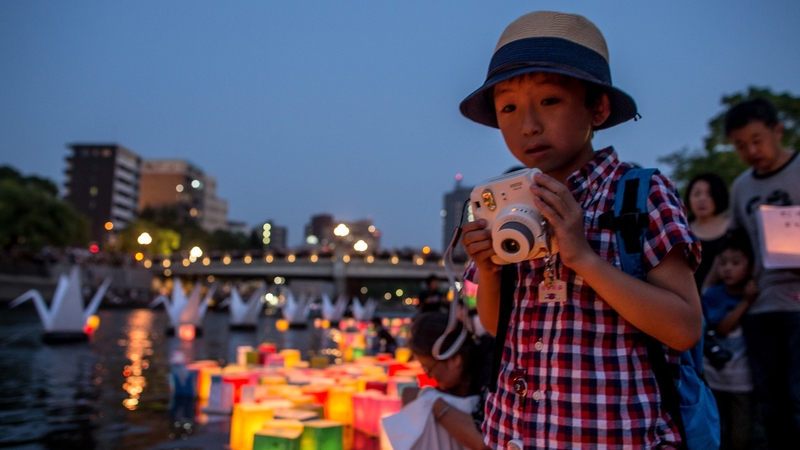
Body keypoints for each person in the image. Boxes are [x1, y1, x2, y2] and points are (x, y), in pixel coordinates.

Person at [458, 11, 702, 448]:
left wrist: (583, 258)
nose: (527, 124)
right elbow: (499, 328)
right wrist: (490, 271)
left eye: (549, 101)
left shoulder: (637, 195)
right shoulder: (509, 200)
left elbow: (684, 328)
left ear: (598, 108)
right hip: (514, 432)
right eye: (508, 107)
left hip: (614, 436)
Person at [724, 97, 800, 448]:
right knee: (771, 400)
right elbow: (737, 244)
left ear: (777, 130)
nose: (751, 150)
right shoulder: (742, 187)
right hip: (761, 304)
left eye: (757, 139)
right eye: (741, 145)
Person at [701, 230, 758, 450]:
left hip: (743, 381)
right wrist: (745, 302)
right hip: (714, 378)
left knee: (741, 437)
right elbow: (723, 328)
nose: (727, 268)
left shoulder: (759, 296)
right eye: (723, 263)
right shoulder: (713, 295)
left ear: (752, 266)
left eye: (736, 263)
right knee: (719, 434)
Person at [405, 312, 494, 450]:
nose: (428, 376)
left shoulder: (492, 374)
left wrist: (434, 402)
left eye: (429, 368)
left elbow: (485, 442)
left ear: (455, 359)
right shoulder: (460, 380)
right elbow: (407, 394)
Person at [685, 173, 730, 291]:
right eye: (696, 194)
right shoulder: (680, 230)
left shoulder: (733, 228)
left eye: (709, 194)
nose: (702, 199)